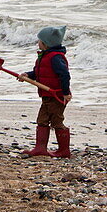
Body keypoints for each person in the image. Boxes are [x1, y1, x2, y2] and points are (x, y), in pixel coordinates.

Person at [19, 25, 72, 158]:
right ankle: (40, 148)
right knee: (42, 120)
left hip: (57, 95)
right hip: (47, 95)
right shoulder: (44, 56)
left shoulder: (55, 57)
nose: (38, 43)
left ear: (45, 43)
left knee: (56, 121)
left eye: (39, 41)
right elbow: (40, 73)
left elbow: (65, 75)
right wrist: (28, 75)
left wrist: (65, 92)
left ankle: (64, 150)